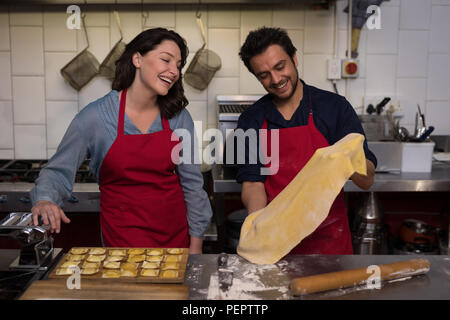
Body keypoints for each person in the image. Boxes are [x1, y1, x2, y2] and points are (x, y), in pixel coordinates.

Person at [30, 28, 212, 253]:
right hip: (122, 240)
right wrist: (45, 199)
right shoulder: (95, 117)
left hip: (175, 238)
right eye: (166, 60)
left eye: (178, 65)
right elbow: (57, 172)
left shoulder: (178, 117)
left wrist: (195, 247)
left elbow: (192, 186)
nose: (174, 71)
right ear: (137, 59)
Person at [236, 27, 377, 254]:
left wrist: (346, 158)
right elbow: (253, 183)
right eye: (264, 75)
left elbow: (366, 180)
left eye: (280, 67)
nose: (276, 79)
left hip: (329, 241)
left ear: (294, 59)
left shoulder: (334, 108)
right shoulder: (250, 119)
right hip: (277, 243)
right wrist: (258, 227)